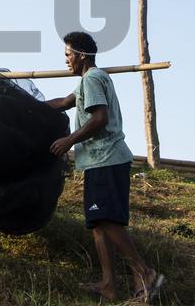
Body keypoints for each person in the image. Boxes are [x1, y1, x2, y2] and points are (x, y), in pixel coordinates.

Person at [48, 31, 165, 303]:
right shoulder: (89, 81)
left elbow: (100, 118)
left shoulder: (92, 79)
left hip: (106, 158)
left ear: (81, 56)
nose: (66, 60)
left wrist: (69, 140)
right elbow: (64, 103)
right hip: (101, 161)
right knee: (99, 223)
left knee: (106, 219)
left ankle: (144, 272)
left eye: (68, 55)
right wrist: (27, 105)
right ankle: (109, 285)